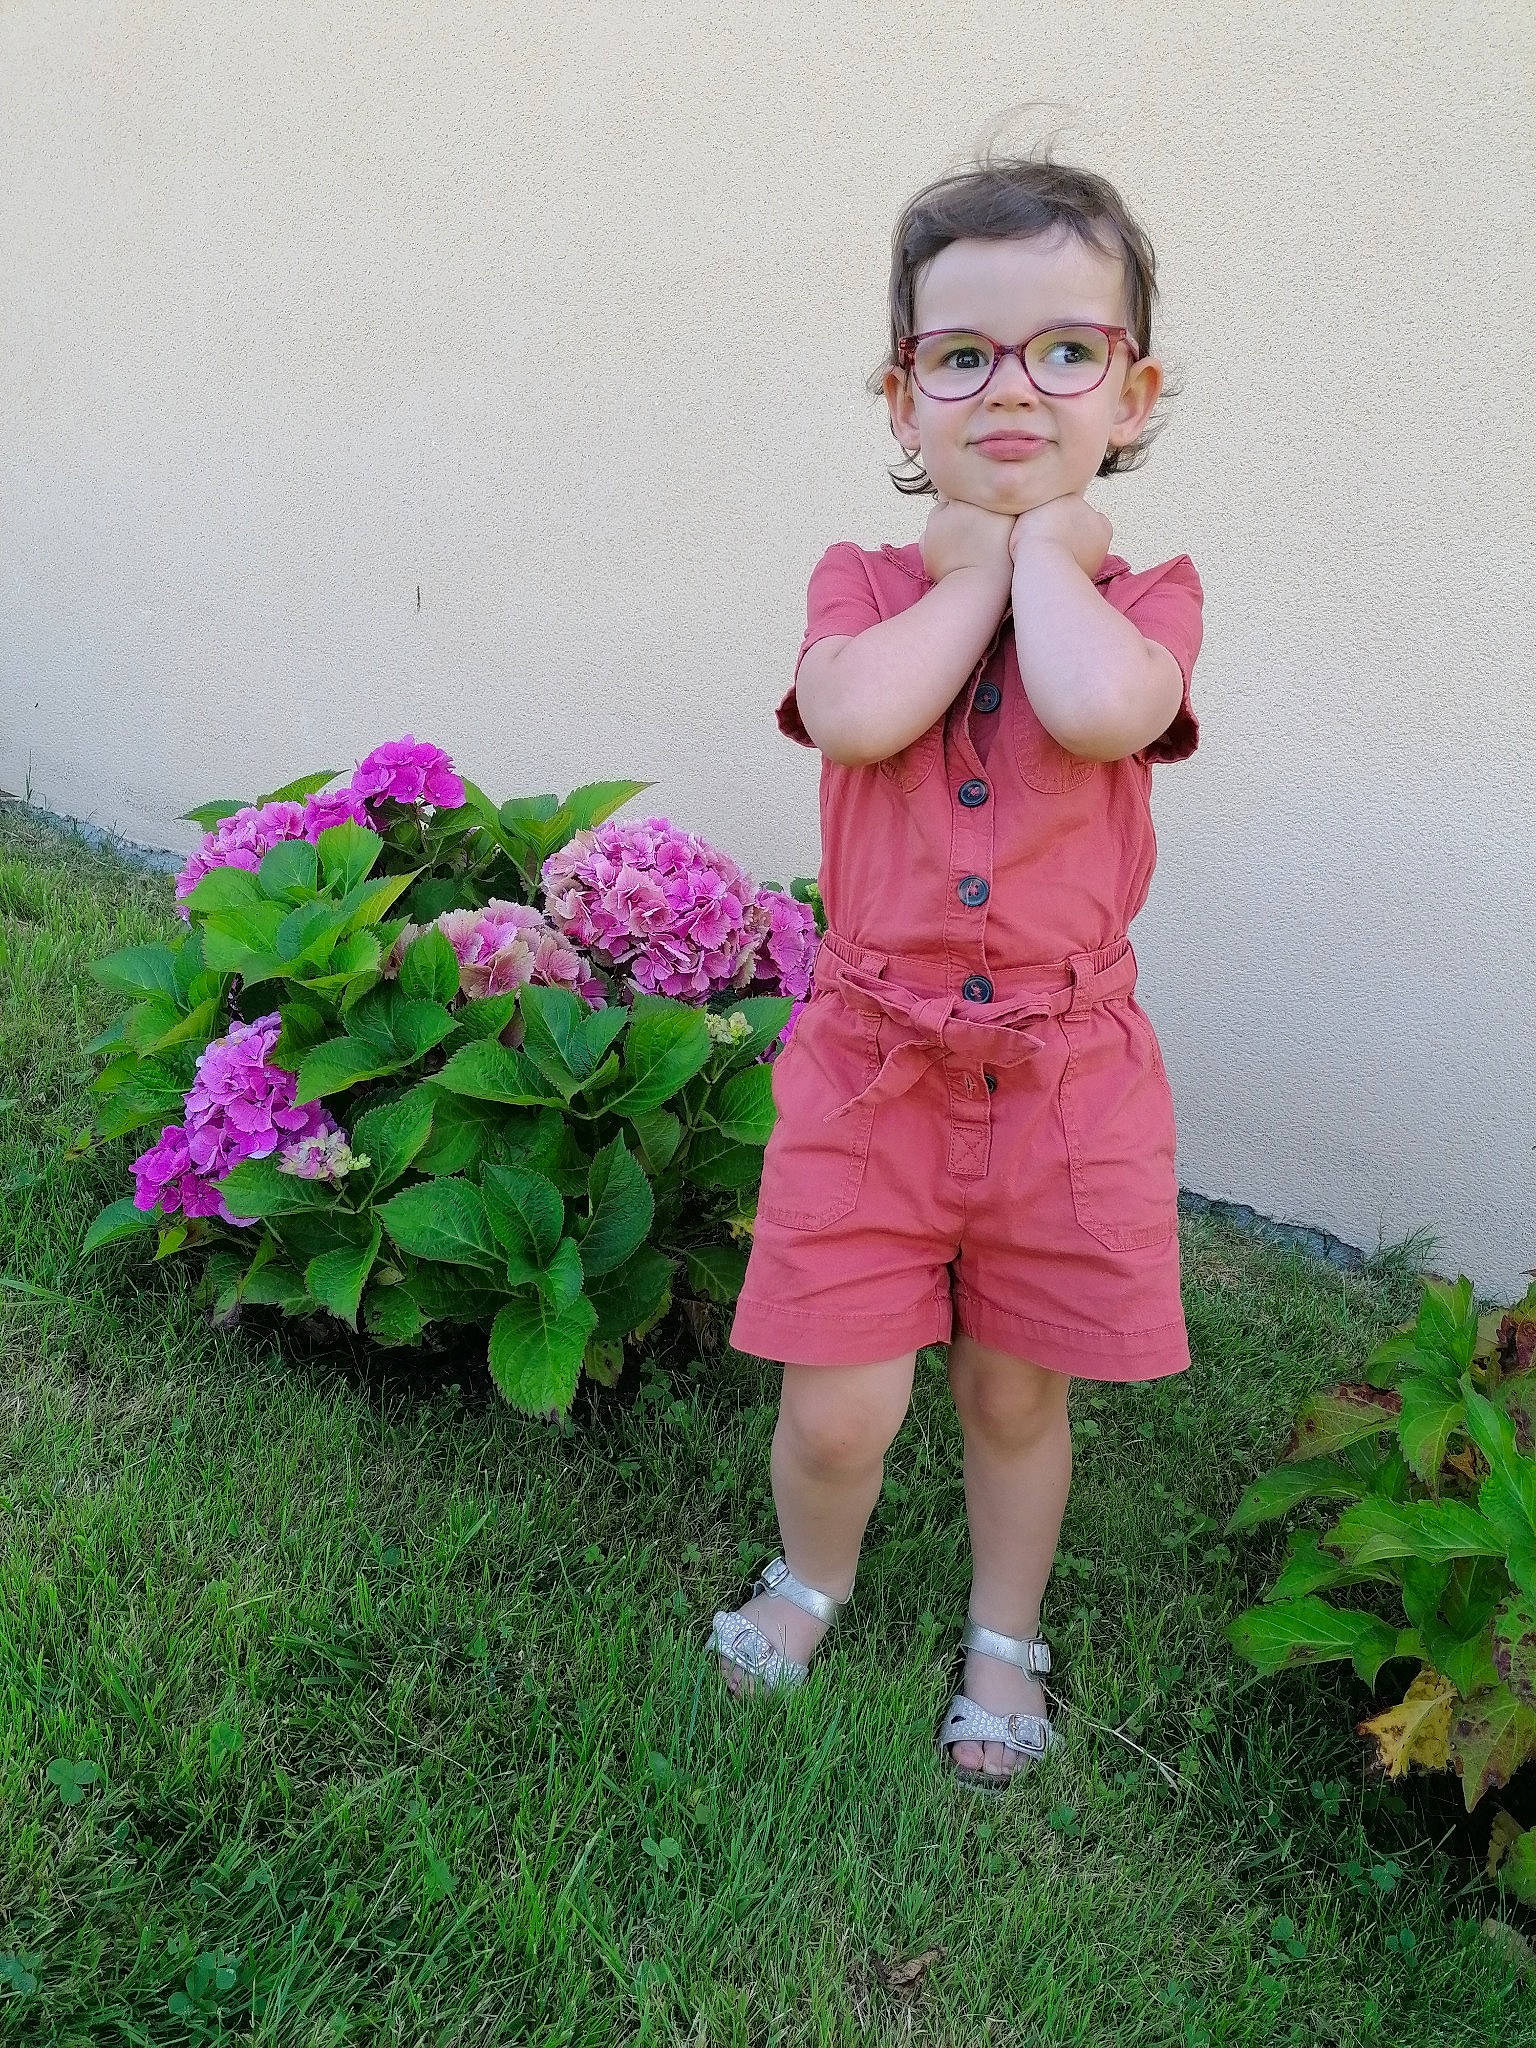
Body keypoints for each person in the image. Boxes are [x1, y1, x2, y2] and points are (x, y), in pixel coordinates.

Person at [707, 143, 1206, 1794]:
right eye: (962, 355)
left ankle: (1006, 1633)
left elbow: (1099, 710)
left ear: (1132, 394)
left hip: (1065, 1086)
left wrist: (1045, 559)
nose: (1011, 389)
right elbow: (855, 711)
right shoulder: (861, 585)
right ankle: (811, 1577)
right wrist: (978, 563)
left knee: (1013, 1396)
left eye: (1065, 352)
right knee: (838, 1404)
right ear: (901, 396)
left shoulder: (1145, 601)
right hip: (872, 1072)